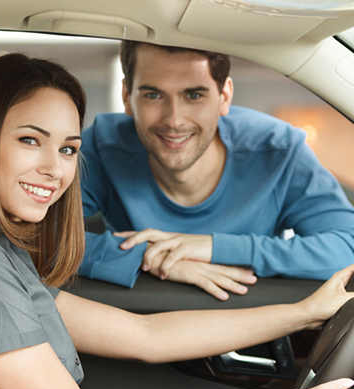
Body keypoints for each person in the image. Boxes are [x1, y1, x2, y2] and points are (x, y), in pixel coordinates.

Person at [0, 52, 354, 389]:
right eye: (30, 140)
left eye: (68, 149)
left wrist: (304, 313)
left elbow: (144, 336)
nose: (54, 169)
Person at [80, 41, 354, 300]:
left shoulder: (280, 150)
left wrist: (212, 247)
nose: (174, 120)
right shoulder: (102, 146)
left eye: (194, 95)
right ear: (127, 96)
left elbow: (347, 248)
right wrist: (145, 257)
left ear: (224, 96)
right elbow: (41, 240)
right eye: (153, 95)